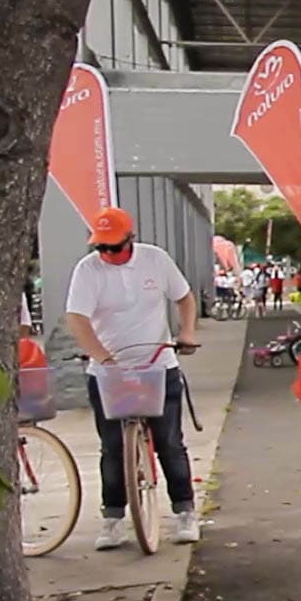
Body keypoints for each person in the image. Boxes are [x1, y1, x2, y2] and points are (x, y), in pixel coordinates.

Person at [63, 207, 202, 548]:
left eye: (115, 247)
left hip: (157, 364)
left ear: (131, 239)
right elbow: (76, 318)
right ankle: (113, 518)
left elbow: (184, 298)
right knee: (112, 448)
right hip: (110, 371)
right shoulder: (88, 270)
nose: (108, 254)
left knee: (169, 442)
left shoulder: (155, 260)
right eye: (102, 248)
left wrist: (186, 332)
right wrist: (102, 357)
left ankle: (185, 512)